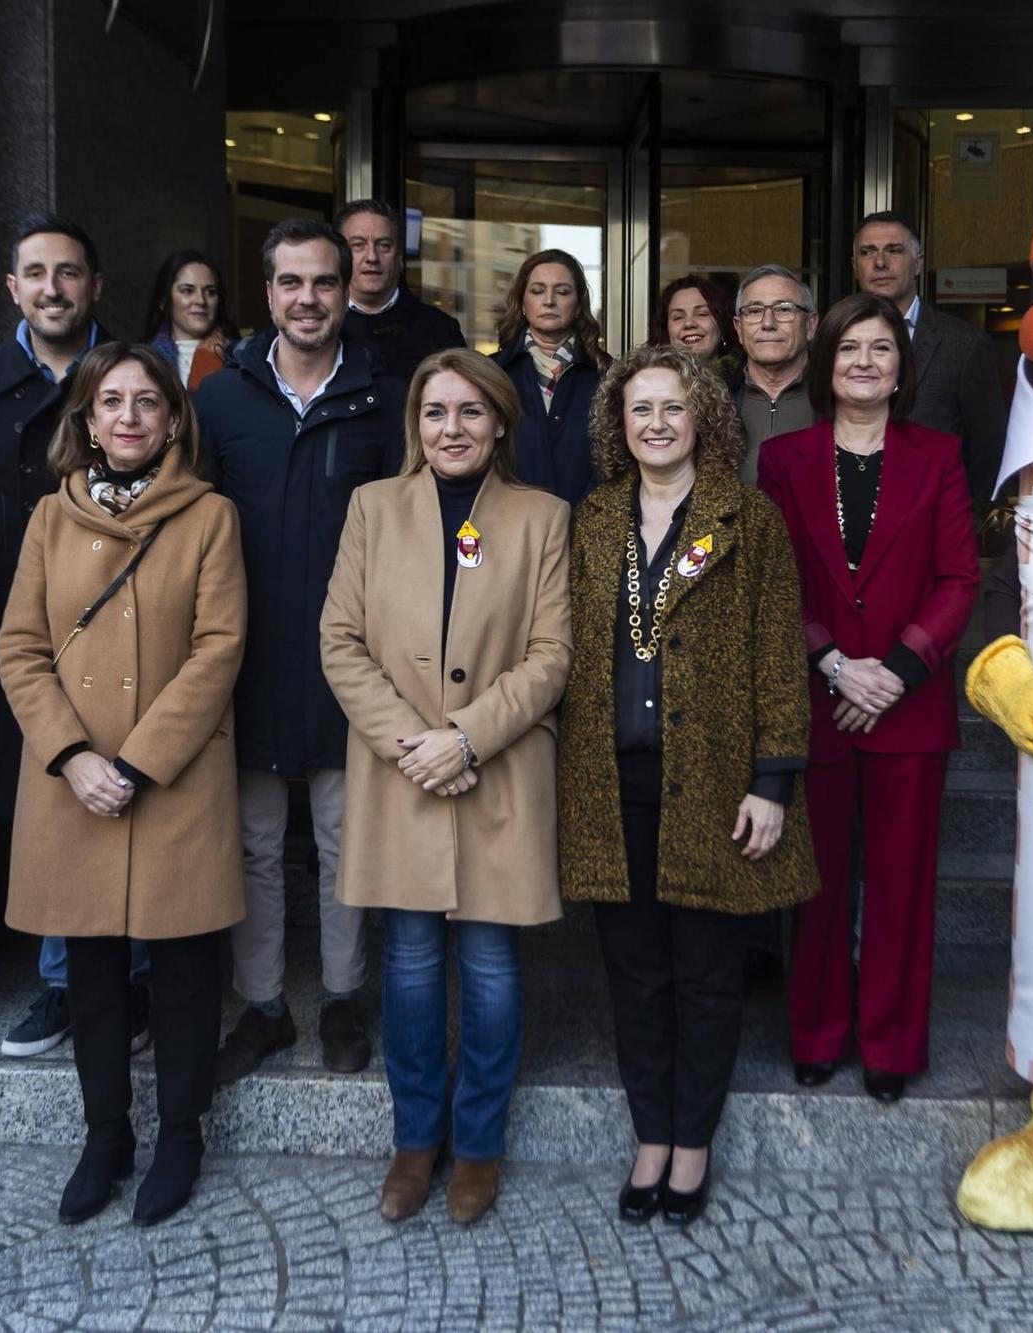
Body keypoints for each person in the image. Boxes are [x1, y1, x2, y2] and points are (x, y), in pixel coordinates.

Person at [556, 344, 816, 1227]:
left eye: (673, 406)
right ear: (617, 424)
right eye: (640, 409)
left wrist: (773, 782)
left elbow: (782, 656)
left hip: (712, 784)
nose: (656, 422)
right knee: (635, 974)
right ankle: (650, 1136)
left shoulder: (748, 518)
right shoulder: (590, 520)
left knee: (705, 974)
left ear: (702, 417)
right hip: (610, 780)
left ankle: (693, 1142)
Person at [0, 340, 247, 1228]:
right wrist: (74, 756)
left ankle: (182, 1131)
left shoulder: (209, 516)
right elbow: (19, 648)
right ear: (88, 420)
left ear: (176, 418)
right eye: (112, 403)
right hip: (74, 783)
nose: (130, 417)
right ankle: (107, 1136)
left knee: (182, 971)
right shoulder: (48, 519)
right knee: (93, 975)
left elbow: (220, 647)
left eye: (148, 402)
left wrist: (137, 760)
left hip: (170, 776)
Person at [320, 349, 574, 1226]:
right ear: (414, 424)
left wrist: (465, 735)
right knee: (413, 965)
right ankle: (414, 1141)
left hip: (495, 768)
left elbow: (553, 656)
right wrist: (412, 744)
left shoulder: (543, 517)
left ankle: (478, 1146)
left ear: (501, 422)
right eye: (435, 413)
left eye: (471, 413)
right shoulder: (371, 508)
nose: (451, 429)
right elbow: (340, 640)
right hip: (402, 775)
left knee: (493, 966)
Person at [195, 219, 408, 1084]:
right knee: (250, 842)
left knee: (344, 837)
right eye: (291, 283)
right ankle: (266, 1007)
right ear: (269, 292)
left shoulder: (384, 397)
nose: (309, 299)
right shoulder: (219, 399)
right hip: (242, 656)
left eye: (324, 282)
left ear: (345, 286)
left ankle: (346, 998)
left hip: (352, 661)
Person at [0, 214, 152, 1062]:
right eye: (36, 272)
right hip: (21, 625)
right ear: (13, 287)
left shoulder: (136, 371)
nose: (53, 287)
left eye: (70, 272)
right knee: (53, 803)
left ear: (95, 285)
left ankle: (131, 980)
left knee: (132, 798)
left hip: (131, 622)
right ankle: (61, 983)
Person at [756, 293, 980, 1106]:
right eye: (849, 347)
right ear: (826, 363)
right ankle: (816, 1033)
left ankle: (891, 1043)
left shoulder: (939, 455)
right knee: (814, 889)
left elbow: (960, 577)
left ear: (901, 368)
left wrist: (897, 669)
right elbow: (775, 581)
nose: (863, 362)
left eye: (881, 349)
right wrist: (833, 664)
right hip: (817, 703)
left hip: (909, 709)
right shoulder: (785, 461)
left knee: (901, 888)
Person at [851, 210, 1008, 504]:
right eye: (867, 252)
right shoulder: (835, 341)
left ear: (918, 263)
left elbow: (988, 450)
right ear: (855, 266)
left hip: (934, 525)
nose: (880, 262)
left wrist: (958, 519)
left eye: (894, 250)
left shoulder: (964, 345)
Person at [492, 249, 611, 505]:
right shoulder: (492, 373)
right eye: (537, 290)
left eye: (562, 291)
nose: (549, 300)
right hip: (509, 522)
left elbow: (615, 461)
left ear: (578, 305)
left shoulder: (609, 374)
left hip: (587, 526)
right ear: (522, 303)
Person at [335, 199, 467, 380]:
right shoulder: (321, 325)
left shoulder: (440, 329)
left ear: (399, 258)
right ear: (339, 256)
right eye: (358, 245)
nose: (372, 257)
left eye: (384, 246)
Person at [730, 264, 819, 486]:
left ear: (810, 324)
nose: (768, 323)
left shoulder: (837, 398)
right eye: (754, 311)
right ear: (739, 329)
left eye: (784, 309)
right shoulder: (718, 399)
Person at [142, 249, 238, 391]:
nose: (200, 301)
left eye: (210, 292)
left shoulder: (240, 358)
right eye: (188, 291)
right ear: (163, 300)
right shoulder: (143, 360)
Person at [650, 275, 740, 373]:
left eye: (702, 314)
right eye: (678, 317)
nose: (689, 323)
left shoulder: (746, 381)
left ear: (722, 326)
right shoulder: (650, 381)